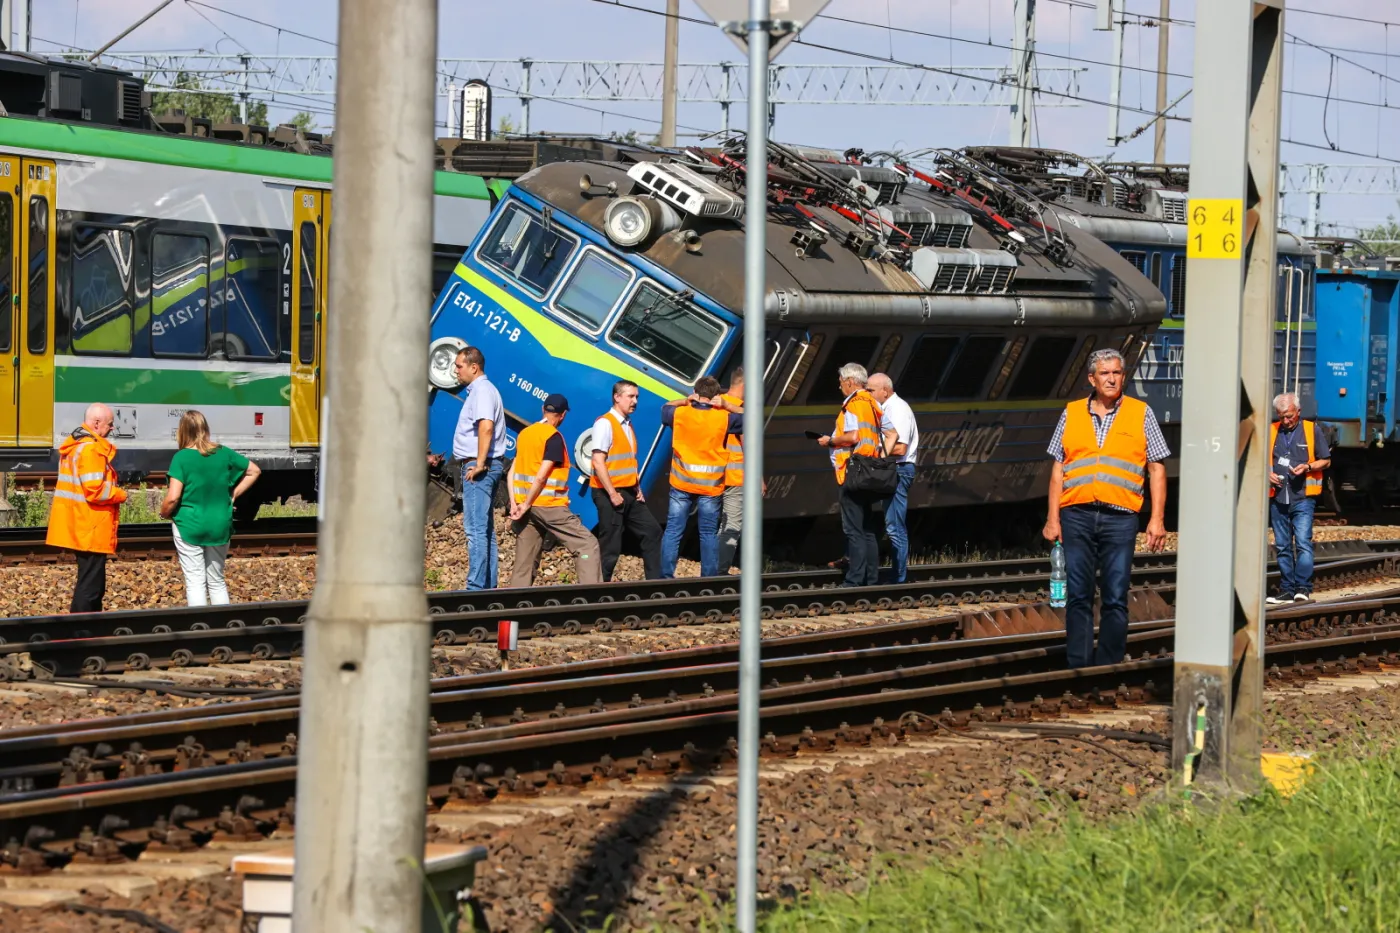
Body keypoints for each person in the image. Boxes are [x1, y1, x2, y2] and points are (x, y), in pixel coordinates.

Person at [1042, 348, 1169, 669]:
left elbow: (1156, 468)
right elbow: (1059, 468)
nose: (1112, 379)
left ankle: (1109, 666)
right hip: (1077, 515)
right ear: (1092, 379)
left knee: (1114, 596)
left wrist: (1156, 519)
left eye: (1117, 373)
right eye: (1105, 373)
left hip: (1121, 518)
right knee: (1078, 595)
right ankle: (1079, 665)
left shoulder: (1141, 413)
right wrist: (1052, 518)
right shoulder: (1071, 413)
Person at [158, 410, 262, 606]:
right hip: (219, 523)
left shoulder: (181, 458)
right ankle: (221, 627)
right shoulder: (224, 453)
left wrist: (163, 513)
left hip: (189, 525)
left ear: (182, 431)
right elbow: (254, 471)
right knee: (216, 581)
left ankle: (200, 631)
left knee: (195, 581)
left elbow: (173, 498)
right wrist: (233, 495)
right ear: (205, 429)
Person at [507, 394, 602, 587]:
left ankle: (511, 615)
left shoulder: (526, 433)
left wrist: (516, 504)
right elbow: (541, 476)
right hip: (548, 506)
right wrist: (525, 504)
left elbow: (511, 473)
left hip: (527, 508)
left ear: (543, 409)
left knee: (523, 565)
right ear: (563, 415)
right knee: (587, 545)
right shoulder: (553, 438)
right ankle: (593, 603)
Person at [660, 375, 743, 578]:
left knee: (672, 531)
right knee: (707, 534)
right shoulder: (724, 417)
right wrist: (726, 405)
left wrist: (685, 400)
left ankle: (665, 576)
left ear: (696, 393)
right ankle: (708, 578)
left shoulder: (679, 414)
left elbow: (665, 407)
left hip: (681, 483)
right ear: (716, 395)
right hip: (710, 487)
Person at [47, 403, 128, 613]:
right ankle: (81, 633)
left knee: (91, 581)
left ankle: (86, 632)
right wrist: (121, 494)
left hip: (80, 522)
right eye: (110, 424)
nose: (112, 428)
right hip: (91, 526)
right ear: (96, 423)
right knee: (90, 586)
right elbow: (95, 491)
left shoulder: (76, 446)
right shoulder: (91, 449)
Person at [816, 363, 888, 587]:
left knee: (854, 529)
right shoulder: (872, 403)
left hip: (852, 471)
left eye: (840, 383)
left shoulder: (854, 404)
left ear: (849, 382)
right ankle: (871, 578)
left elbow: (853, 435)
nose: (840, 387)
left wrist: (830, 440)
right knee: (866, 529)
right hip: (869, 470)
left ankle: (854, 580)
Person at [589, 380, 662, 580]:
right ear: (617, 397)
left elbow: (628, 461)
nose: (635, 401)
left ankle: (655, 585)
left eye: (637, 397)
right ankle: (596, 591)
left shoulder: (627, 425)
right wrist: (612, 494)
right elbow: (598, 461)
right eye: (631, 396)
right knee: (610, 545)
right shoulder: (605, 423)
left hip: (628, 491)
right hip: (609, 493)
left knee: (652, 532)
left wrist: (637, 486)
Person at [1267, 392, 1330, 605]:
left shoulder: (1312, 431)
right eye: (1281, 416)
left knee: (1303, 543)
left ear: (1298, 412)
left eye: (1289, 416)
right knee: (1283, 545)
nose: (1285, 420)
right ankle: (1286, 589)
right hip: (1277, 497)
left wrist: (1308, 467)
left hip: (1303, 496)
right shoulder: (1272, 431)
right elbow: (1259, 459)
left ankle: (1302, 587)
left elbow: (1326, 460)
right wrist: (1267, 473)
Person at [453, 346, 507, 590]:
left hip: (479, 466)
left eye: (459, 366)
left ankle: (475, 589)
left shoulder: (482, 391)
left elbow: (486, 427)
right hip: (484, 464)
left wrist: (480, 463)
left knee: (475, 530)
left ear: (474, 367)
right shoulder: (482, 390)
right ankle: (487, 587)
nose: (456, 370)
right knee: (485, 530)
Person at [868, 372, 918, 583]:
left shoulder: (898, 410)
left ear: (885, 391)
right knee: (887, 524)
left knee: (895, 526)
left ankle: (898, 578)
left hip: (898, 469)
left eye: (871, 390)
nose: (868, 394)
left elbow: (899, 447)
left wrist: (870, 451)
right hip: (890, 470)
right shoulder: (886, 408)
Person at [716, 368, 746, 572]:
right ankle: (718, 572)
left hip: (710, 475)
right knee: (730, 528)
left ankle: (710, 566)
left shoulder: (715, 405)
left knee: (711, 524)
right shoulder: (741, 410)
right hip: (735, 477)